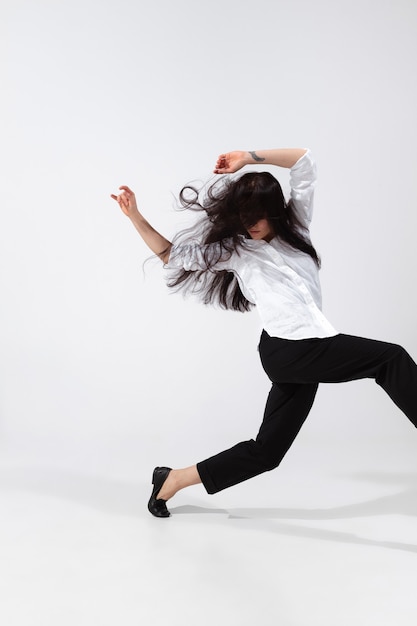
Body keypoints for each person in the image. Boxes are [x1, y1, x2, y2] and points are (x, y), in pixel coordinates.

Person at [111, 147, 417, 518]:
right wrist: (135, 217)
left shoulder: (297, 227)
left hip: (306, 349)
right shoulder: (236, 250)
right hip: (289, 350)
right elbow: (173, 256)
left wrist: (250, 157)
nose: (250, 224)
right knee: (390, 359)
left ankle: (172, 479)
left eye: (258, 217)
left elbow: (305, 162)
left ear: (275, 213)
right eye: (244, 217)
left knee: (267, 453)